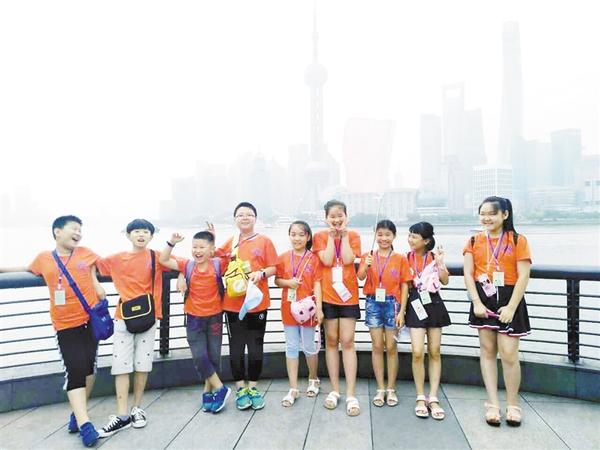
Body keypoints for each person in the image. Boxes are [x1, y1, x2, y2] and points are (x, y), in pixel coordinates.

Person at [0, 215, 104, 447]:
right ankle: (85, 424)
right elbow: (24, 268)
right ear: (57, 231)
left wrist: (95, 279)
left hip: (90, 321)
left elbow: (103, 265)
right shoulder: (44, 258)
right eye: (74, 228)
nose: (78, 233)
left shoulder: (86, 253)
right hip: (65, 325)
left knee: (89, 370)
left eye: (80, 230)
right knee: (75, 370)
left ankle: (77, 414)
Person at [96, 219, 168, 437]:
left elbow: (184, 264)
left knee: (142, 364)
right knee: (121, 365)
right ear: (128, 235)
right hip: (123, 318)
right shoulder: (116, 259)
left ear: (151, 236)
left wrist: (183, 276)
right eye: (136, 231)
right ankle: (122, 414)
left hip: (149, 317)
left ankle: (137, 408)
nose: (141, 235)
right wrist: (96, 284)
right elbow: (89, 265)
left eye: (146, 231)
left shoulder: (157, 257)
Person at [464, 196, 531, 427]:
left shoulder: (518, 240)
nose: (486, 218)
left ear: (505, 214)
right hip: (483, 299)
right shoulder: (474, 240)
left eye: (491, 213)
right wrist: (476, 302)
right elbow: (468, 273)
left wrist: (511, 307)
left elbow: (524, 275)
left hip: (510, 298)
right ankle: (492, 404)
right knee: (487, 350)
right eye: (483, 213)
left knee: (509, 353)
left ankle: (513, 404)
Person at [159, 229, 231, 413]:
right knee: (199, 356)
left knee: (213, 356)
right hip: (193, 318)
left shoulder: (218, 264)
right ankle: (221, 388)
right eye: (194, 247)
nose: (197, 251)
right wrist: (171, 243)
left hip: (215, 317)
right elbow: (164, 260)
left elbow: (231, 252)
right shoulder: (187, 265)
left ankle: (208, 391)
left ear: (211, 249)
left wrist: (214, 237)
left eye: (202, 247)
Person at [216, 202, 278, 410]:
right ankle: (240, 389)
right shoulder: (230, 242)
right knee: (236, 346)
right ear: (235, 219)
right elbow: (213, 262)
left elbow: (274, 267)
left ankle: (253, 387)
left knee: (255, 346)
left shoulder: (265, 241)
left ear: (255, 218)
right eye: (240, 215)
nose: (245, 218)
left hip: (257, 303)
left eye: (249, 214)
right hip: (232, 304)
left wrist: (261, 273)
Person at [312, 200, 362, 416]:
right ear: (326, 218)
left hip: (348, 297)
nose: (336, 219)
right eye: (332, 216)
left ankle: (351, 393)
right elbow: (327, 260)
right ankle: (335, 390)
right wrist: (332, 237)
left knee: (348, 342)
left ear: (346, 216)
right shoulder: (320, 237)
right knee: (331, 342)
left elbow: (349, 259)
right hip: (328, 296)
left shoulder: (354, 236)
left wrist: (345, 235)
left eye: (340, 215)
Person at [357, 219, 410, 408]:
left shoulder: (400, 258)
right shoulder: (368, 255)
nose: (383, 238)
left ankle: (391, 388)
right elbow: (360, 277)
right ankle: (380, 388)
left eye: (388, 234)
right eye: (380, 234)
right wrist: (366, 265)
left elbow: (405, 285)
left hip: (392, 304)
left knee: (392, 347)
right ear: (375, 235)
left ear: (394, 236)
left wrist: (402, 311)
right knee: (377, 346)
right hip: (373, 302)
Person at [274, 221, 323, 407]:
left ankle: (313, 378)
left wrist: (319, 308)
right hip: (288, 307)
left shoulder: (314, 259)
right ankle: (293, 388)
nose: (297, 238)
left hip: (309, 308)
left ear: (308, 237)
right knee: (291, 346)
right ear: (289, 236)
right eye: (293, 234)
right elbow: (277, 280)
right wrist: (288, 283)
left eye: (301, 235)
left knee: (309, 346)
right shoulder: (283, 257)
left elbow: (317, 284)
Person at [405, 222, 451, 420]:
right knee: (417, 352)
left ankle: (433, 397)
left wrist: (440, 263)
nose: (410, 239)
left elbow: (445, 280)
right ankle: (420, 396)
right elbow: (403, 285)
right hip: (415, 304)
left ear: (426, 240)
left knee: (434, 350)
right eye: (410, 235)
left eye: (414, 236)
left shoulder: (434, 257)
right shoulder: (405, 258)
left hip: (433, 304)